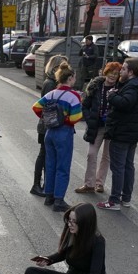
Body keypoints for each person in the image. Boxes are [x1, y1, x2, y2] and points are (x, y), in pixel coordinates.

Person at [25, 202, 105, 274]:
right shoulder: (72, 232)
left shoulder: (98, 241)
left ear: (85, 223)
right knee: (31, 272)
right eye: (69, 220)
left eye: (74, 222)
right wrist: (48, 260)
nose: (70, 224)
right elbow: (63, 254)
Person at [97, 58, 138, 210]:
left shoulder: (132, 87)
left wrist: (112, 96)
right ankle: (126, 198)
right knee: (127, 166)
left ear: (131, 72)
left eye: (124, 69)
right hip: (131, 133)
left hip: (122, 132)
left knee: (118, 167)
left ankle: (114, 201)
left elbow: (125, 103)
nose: (121, 71)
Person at [32, 65, 84, 211]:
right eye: (74, 77)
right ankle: (59, 200)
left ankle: (49, 196)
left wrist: (48, 118)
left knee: (50, 165)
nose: (75, 79)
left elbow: (36, 107)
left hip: (49, 132)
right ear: (70, 78)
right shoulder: (74, 96)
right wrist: (65, 120)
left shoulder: (52, 93)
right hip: (64, 133)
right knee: (63, 167)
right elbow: (76, 117)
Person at [75, 62, 121, 195]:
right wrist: (90, 119)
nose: (113, 76)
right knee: (91, 154)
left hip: (111, 127)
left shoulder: (120, 88)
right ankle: (89, 184)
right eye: (111, 73)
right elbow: (85, 105)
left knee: (106, 156)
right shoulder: (95, 87)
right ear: (105, 73)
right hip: (97, 126)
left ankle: (99, 184)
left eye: (116, 74)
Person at [32, 57, 67, 196]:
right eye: (63, 66)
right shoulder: (50, 83)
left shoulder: (53, 82)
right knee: (44, 155)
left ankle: (46, 185)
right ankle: (37, 185)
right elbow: (47, 107)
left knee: (47, 156)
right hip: (47, 125)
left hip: (49, 124)